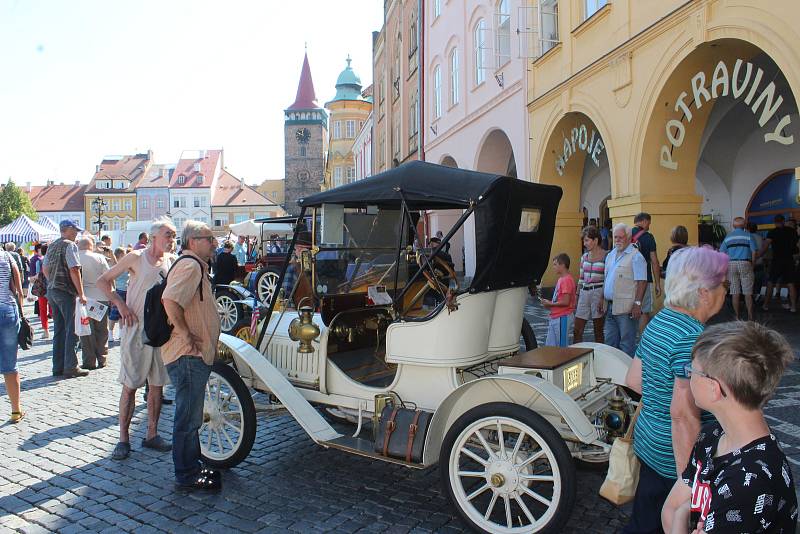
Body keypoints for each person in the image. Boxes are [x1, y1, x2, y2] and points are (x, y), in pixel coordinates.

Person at [623, 246, 729, 534]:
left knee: (644, 522)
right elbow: (683, 416)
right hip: (676, 457)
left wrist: (660, 393)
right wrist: (690, 482)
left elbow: (634, 380)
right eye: (723, 283)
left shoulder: (661, 319)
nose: (726, 290)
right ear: (704, 292)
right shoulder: (691, 338)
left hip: (649, 444)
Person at [661, 322, 797, 533]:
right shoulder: (711, 435)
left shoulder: (748, 483)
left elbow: (676, 509)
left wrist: (681, 515)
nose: (689, 376)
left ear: (714, 388)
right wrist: (679, 513)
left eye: (692, 371)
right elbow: (670, 508)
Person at [97, 218, 177, 460]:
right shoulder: (135, 257)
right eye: (168, 235)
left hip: (161, 332)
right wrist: (120, 304)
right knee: (130, 386)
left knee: (156, 386)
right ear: (154, 237)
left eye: (174, 236)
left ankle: (151, 434)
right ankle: (123, 439)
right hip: (135, 329)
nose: (172, 240)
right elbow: (103, 281)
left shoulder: (171, 262)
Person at [161, 220, 222, 491]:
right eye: (209, 238)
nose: (214, 243)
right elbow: (170, 301)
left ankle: (192, 465)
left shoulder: (193, 265)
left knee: (191, 416)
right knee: (187, 417)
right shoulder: (190, 265)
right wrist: (186, 335)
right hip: (187, 355)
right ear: (193, 241)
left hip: (191, 355)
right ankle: (186, 474)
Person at [42, 220, 89, 379]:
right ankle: (71, 366)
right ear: (67, 229)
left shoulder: (52, 245)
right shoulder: (70, 245)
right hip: (65, 291)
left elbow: (45, 268)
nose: (77, 233)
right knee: (72, 329)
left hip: (53, 290)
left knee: (59, 329)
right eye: (75, 230)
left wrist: (52, 282)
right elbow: (74, 270)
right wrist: (81, 293)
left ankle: (58, 366)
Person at [600, 223, 648, 357]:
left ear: (628, 237)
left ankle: (628, 375)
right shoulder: (611, 255)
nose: (617, 240)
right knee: (610, 344)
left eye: (621, 237)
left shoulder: (636, 256)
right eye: (615, 237)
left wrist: (637, 304)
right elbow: (607, 278)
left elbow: (642, 282)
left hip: (626, 309)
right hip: (610, 306)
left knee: (626, 345)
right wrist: (602, 298)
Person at [76, 236, 110, 370]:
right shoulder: (99, 257)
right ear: (91, 246)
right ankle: (102, 358)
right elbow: (108, 276)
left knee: (86, 331)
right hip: (101, 296)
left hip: (84, 298)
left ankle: (89, 360)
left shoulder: (76, 257)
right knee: (102, 330)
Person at [0, 246, 24, 422]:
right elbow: (19, 290)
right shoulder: (7, 257)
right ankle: (16, 410)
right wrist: (22, 314)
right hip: (7, 310)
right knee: (10, 363)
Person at [719, 217, 758, 321]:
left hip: (731, 264)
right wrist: (753, 264)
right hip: (745, 263)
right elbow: (754, 251)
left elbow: (721, 252)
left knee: (735, 292)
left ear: (733, 226)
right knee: (748, 292)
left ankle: (737, 317)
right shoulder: (748, 236)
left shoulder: (728, 237)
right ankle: (750, 317)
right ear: (744, 225)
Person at [574, 226, 606, 343]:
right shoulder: (584, 257)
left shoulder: (606, 256)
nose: (584, 243)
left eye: (587, 240)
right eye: (584, 240)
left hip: (598, 292)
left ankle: (600, 356)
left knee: (598, 330)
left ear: (596, 240)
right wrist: (577, 296)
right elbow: (581, 278)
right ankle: (577, 356)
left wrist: (602, 298)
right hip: (584, 292)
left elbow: (607, 279)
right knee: (577, 330)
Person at [762, 214, 798, 312]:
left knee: (770, 283)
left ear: (775, 222)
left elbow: (766, 246)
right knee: (791, 284)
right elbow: (796, 245)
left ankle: (765, 305)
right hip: (789, 260)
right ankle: (793, 307)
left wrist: (758, 254)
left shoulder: (772, 232)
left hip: (777, 260)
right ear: (783, 221)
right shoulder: (792, 231)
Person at [632, 213, 662, 327]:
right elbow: (654, 261)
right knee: (644, 311)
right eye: (649, 223)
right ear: (644, 221)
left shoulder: (625, 235)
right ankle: (642, 340)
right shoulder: (648, 237)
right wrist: (657, 284)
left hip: (628, 279)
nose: (649, 226)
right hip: (644, 279)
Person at [541, 253, 576, 347]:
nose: (554, 267)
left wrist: (550, 304)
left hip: (562, 316)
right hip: (556, 316)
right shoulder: (562, 279)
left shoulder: (566, 280)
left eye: (555, 264)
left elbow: (566, 302)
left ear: (563, 265)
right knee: (551, 345)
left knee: (562, 345)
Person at [29, 244, 50, 339]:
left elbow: (37, 276)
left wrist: (31, 279)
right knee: (54, 308)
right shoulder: (54, 260)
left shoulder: (40, 261)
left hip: (42, 288)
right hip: (53, 287)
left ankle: (46, 331)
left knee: (42, 309)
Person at [107, 247, 128, 343]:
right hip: (118, 291)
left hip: (125, 291)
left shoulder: (124, 265)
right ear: (120, 255)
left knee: (121, 314)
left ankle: (120, 333)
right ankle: (110, 334)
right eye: (124, 254)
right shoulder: (116, 265)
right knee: (114, 314)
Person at [747, 221, 765, 301]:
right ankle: (756, 296)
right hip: (760, 263)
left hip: (750, 263)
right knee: (758, 282)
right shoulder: (760, 237)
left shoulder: (747, 237)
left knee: (748, 283)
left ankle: (749, 299)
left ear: (747, 229)